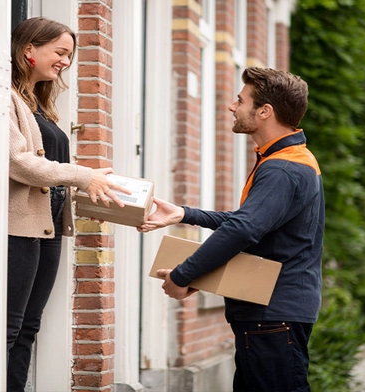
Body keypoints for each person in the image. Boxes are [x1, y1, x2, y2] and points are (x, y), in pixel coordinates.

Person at [139, 67, 324, 391]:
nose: (232, 107)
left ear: (264, 111)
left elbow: (244, 228)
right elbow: (253, 222)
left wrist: (183, 276)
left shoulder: (283, 168)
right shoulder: (287, 160)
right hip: (271, 312)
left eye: (240, 100)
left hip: (271, 314)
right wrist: (184, 214)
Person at [7, 17, 130, 391]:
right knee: (9, 328)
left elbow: (52, 173)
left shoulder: (40, 105)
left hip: (48, 230)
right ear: (29, 49)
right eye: (59, 52)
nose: (65, 62)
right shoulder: (5, 97)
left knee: (29, 327)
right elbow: (17, 162)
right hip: (17, 231)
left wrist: (98, 184)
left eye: (70, 55)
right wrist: (81, 175)